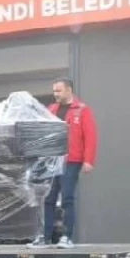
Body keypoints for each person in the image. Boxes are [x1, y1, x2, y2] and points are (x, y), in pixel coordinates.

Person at [38, 77, 98, 248]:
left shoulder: (82, 110)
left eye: (59, 90)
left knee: (67, 198)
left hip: (71, 160)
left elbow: (91, 136)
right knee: (48, 198)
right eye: (54, 91)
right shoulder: (51, 109)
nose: (55, 94)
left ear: (69, 90)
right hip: (52, 160)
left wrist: (88, 160)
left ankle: (67, 237)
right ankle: (45, 237)